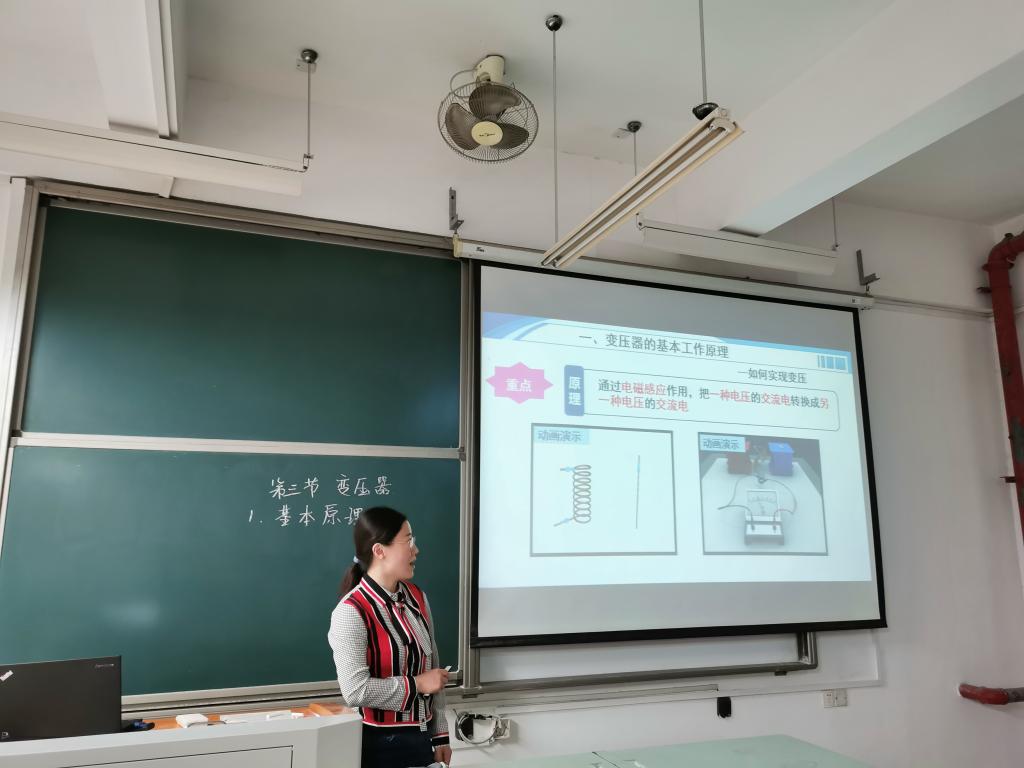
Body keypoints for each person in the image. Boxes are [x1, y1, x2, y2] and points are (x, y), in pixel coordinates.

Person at [328, 506, 451, 768]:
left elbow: (434, 669)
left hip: (422, 740)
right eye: (408, 541)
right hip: (378, 747)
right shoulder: (351, 612)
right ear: (379, 550)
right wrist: (416, 684)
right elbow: (355, 690)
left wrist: (440, 734)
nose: (416, 550)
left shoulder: (417, 598)